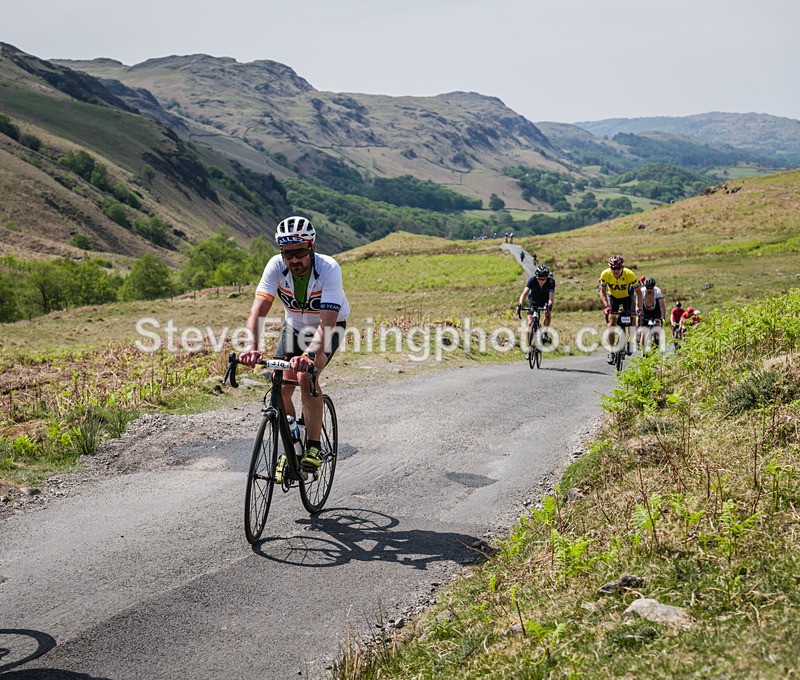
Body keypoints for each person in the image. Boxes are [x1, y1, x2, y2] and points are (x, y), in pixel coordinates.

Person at [239, 216, 349, 477]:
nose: (293, 260)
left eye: (299, 252)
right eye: (287, 254)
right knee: (279, 385)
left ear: (311, 248)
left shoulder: (329, 269)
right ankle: (292, 440)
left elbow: (327, 323)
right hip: (295, 327)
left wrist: (309, 355)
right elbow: (258, 310)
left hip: (329, 327)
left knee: (304, 374)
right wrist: (250, 346)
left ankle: (313, 446)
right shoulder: (275, 266)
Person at [599, 254, 643, 364]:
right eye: (613, 268)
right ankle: (611, 351)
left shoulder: (629, 274)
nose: (616, 270)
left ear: (622, 267)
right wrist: (606, 305)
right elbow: (602, 292)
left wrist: (639, 308)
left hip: (628, 298)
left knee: (633, 321)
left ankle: (631, 342)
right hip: (613, 298)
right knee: (611, 324)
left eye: (618, 268)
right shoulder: (605, 274)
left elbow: (638, 293)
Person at [517, 264, 555, 354]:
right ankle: (529, 346)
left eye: (543, 279)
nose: (540, 281)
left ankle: (545, 333)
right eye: (539, 278)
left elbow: (551, 297)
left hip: (545, 300)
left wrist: (549, 305)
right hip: (533, 301)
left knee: (547, 312)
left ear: (547, 277)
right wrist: (520, 304)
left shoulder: (551, 282)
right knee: (529, 324)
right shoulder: (532, 280)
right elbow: (524, 293)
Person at [638, 277, 667, 348]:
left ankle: (658, 341)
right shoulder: (642, 291)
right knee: (643, 332)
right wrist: (638, 311)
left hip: (655, 311)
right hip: (645, 311)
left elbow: (662, 306)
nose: (649, 290)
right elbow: (638, 304)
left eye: (651, 288)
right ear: (645, 287)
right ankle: (642, 349)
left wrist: (663, 317)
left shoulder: (658, 291)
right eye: (648, 288)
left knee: (658, 326)